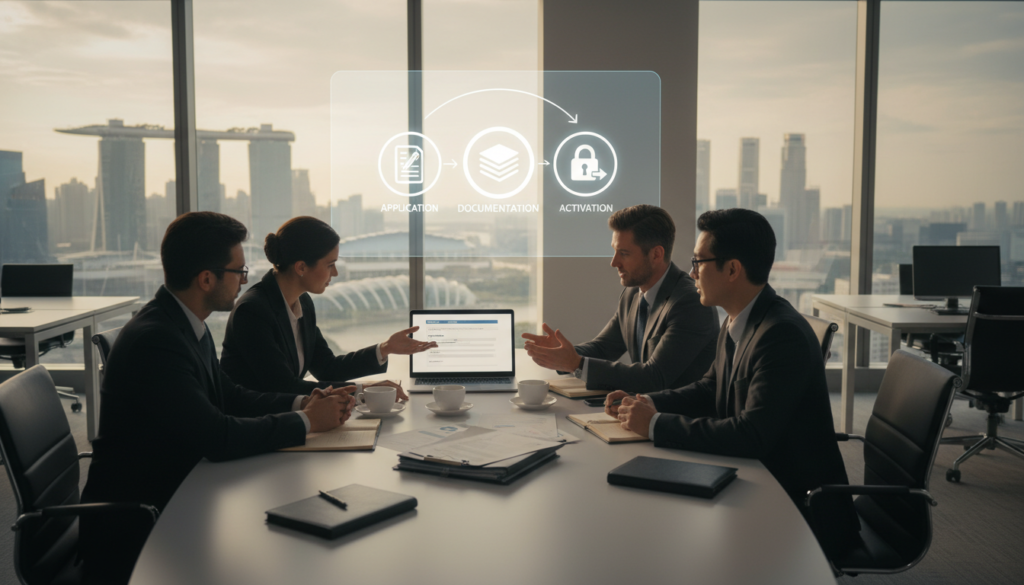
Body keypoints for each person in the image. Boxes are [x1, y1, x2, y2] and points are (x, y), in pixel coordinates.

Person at [79, 212, 353, 584]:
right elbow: (217, 437)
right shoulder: (156, 341)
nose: (245, 280)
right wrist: (307, 422)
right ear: (206, 279)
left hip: (182, 491)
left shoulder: (186, 323)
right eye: (238, 272)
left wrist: (301, 404)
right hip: (142, 523)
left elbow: (230, 395)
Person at [607, 208, 860, 560]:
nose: (691, 272)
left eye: (698, 262)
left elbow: (751, 435)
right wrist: (644, 401)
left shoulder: (780, 335)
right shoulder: (739, 319)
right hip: (756, 484)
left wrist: (653, 424)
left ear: (732, 269)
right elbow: (711, 389)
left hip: (797, 508)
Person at [220, 216, 436, 397]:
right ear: (301, 267)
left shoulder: (301, 301)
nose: (335, 273)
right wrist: (366, 390)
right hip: (259, 430)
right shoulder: (253, 311)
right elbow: (284, 388)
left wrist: (385, 348)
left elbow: (327, 368)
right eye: (330, 265)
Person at [522, 204, 719, 393]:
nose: (614, 262)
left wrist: (576, 363)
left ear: (656, 254)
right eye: (615, 251)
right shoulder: (633, 294)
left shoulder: (690, 302)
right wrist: (562, 352)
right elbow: (603, 348)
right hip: (641, 412)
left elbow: (654, 377)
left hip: (678, 420)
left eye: (624, 253)